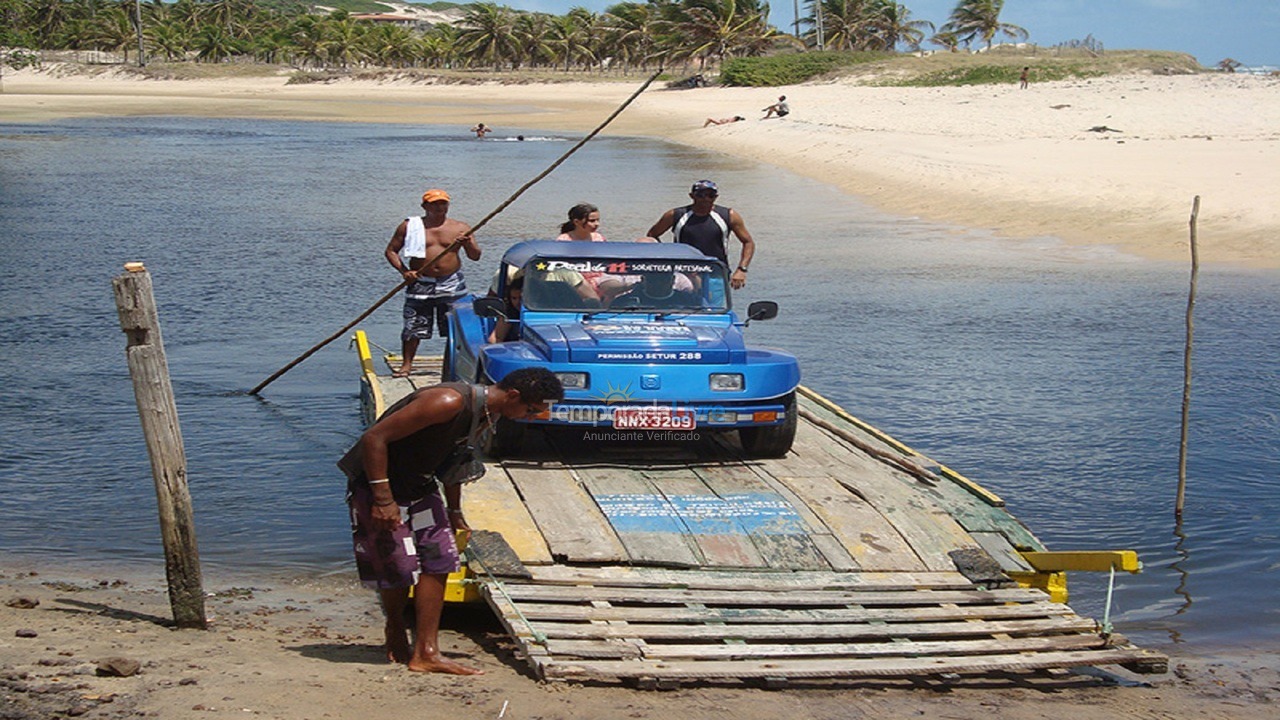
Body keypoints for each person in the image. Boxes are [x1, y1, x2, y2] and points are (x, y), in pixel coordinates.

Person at [338, 368, 564, 675]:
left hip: (421, 485)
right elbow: (374, 438)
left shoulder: (490, 413)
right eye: (531, 409)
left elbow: (457, 460)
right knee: (398, 567)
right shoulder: (447, 402)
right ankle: (395, 626)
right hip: (381, 486)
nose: (529, 415)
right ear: (513, 395)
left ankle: (427, 651)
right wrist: (383, 500)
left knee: (442, 559)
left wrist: (455, 511)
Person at [385, 189, 481, 378]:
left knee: (456, 326)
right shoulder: (409, 226)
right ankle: (406, 365)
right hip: (421, 282)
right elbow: (391, 251)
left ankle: (456, 364)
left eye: (443, 203)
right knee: (413, 326)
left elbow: (476, 256)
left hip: (452, 283)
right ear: (425, 207)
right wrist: (405, 272)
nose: (439, 207)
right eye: (434, 204)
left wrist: (468, 242)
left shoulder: (460, 227)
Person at [645, 179, 755, 290]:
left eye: (710, 195)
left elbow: (748, 242)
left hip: (715, 275)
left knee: (715, 307)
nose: (706, 199)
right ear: (692, 196)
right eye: (701, 195)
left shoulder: (729, 215)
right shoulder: (675, 215)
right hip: (684, 276)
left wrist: (742, 269)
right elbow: (652, 236)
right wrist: (667, 258)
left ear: (716, 197)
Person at [487, 277, 522, 343]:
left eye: (521, 298)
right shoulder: (509, 313)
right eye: (514, 298)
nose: (518, 302)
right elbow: (495, 338)